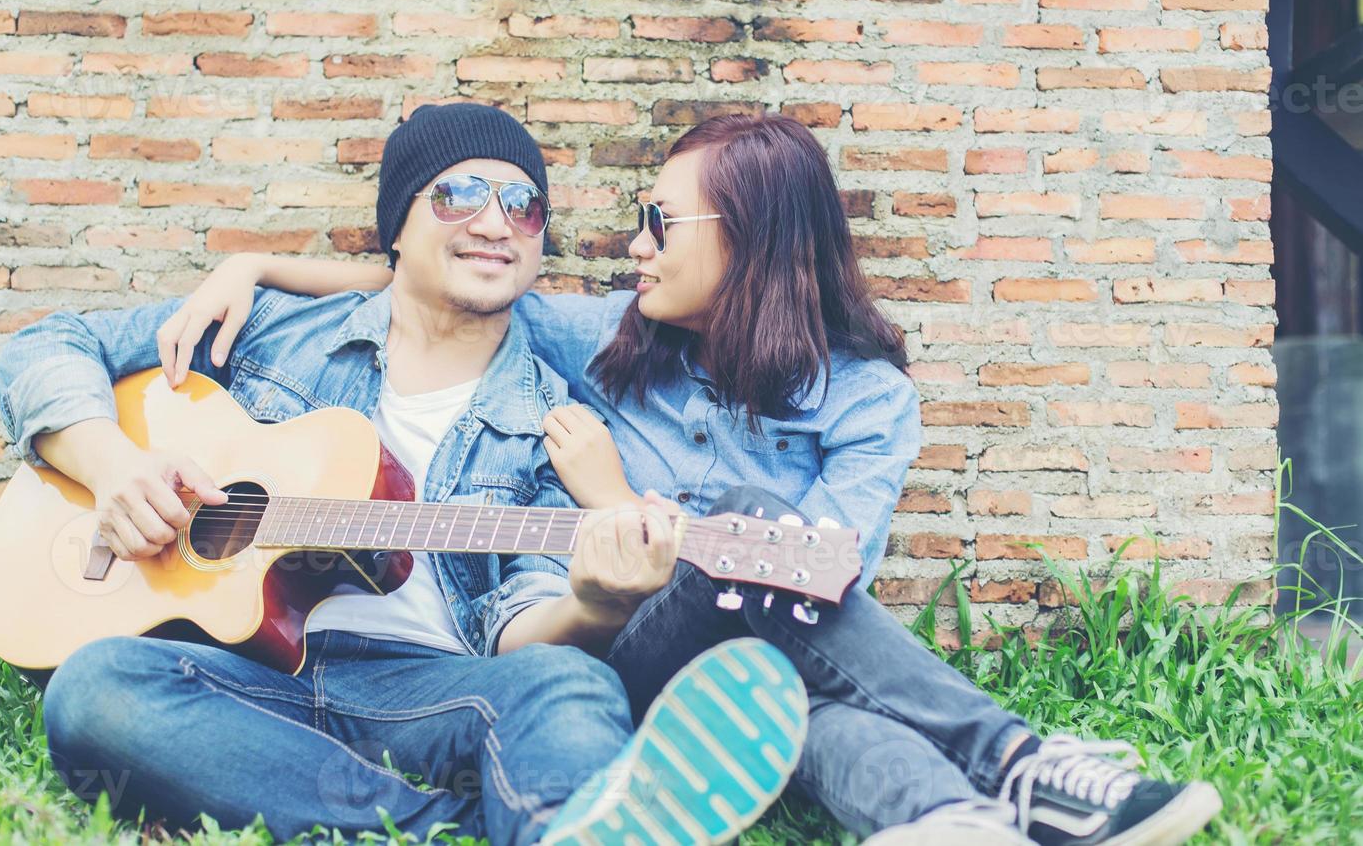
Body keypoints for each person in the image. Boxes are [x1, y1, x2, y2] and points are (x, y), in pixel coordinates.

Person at [171, 111, 1226, 846]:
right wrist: (256, 268)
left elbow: (822, 582)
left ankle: (942, 816)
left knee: (792, 686)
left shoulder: (866, 403)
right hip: (624, 648)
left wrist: (612, 490)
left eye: (660, 223)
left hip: (757, 672)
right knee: (759, 526)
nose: (633, 245)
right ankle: (1017, 760)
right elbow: (432, 272)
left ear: (753, 240)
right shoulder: (605, 332)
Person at [0, 103, 809, 845]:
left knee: (566, 684)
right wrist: (114, 469)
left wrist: (594, 602)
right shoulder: (271, 327)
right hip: (240, 673)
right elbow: (47, 346)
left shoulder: (552, 424)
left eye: (524, 206)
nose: (497, 223)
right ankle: (446, 829)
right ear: (399, 222)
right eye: (459, 195)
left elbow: (516, 622)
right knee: (97, 686)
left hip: (430, 689)